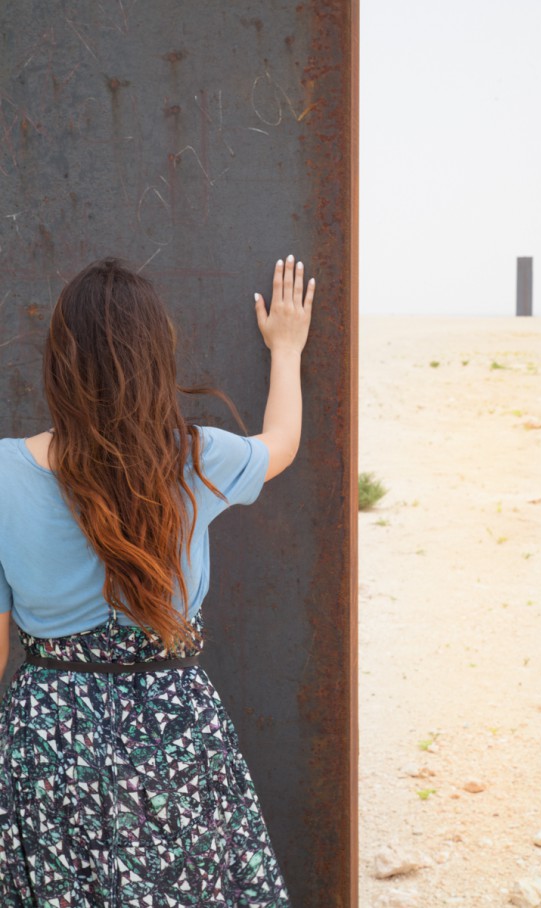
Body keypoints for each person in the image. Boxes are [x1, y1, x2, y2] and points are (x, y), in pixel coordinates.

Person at [0, 253, 314, 906]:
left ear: (57, 362)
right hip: (174, 729)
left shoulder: (2, 475)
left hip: (51, 738)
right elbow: (280, 442)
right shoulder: (195, 457)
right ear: (153, 360)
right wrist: (285, 349)